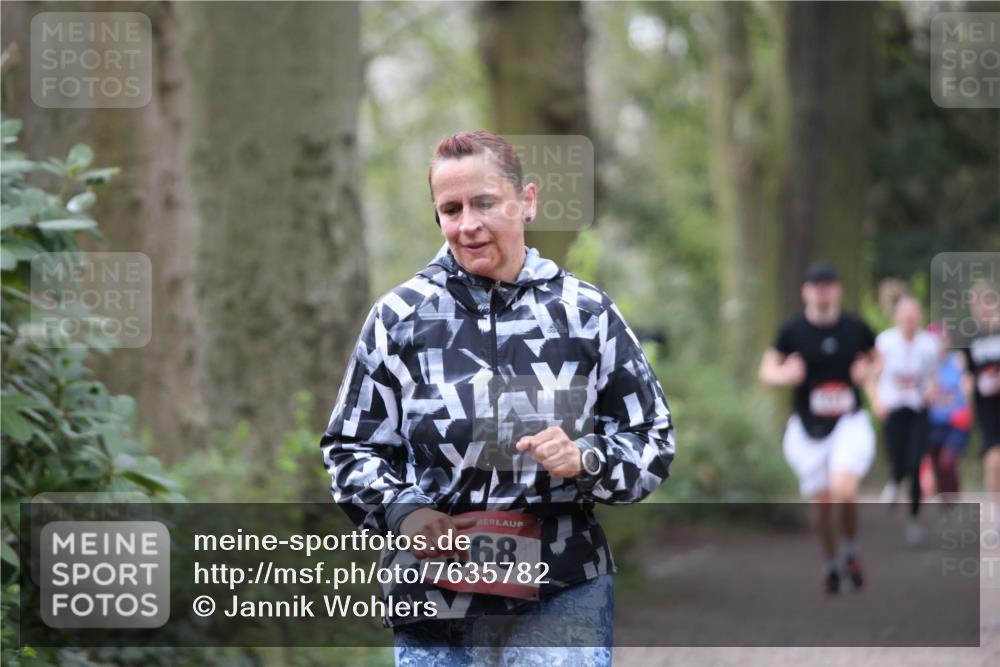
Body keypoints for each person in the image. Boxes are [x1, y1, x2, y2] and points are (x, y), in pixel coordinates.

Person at [319, 131, 675, 666]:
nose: (468, 224)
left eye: (484, 203)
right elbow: (349, 448)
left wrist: (587, 459)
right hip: (433, 596)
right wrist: (405, 511)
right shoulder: (399, 318)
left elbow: (651, 440)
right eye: (451, 209)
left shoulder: (586, 314)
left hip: (562, 584)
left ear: (526, 201)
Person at [759, 262, 877, 595]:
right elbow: (767, 370)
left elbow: (877, 358)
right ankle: (831, 564)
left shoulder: (855, 327)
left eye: (828, 284)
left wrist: (866, 368)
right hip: (807, 429)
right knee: (823, 503)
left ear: (838, 290)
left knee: (845, 489)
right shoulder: (792, 330)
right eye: (816, 285)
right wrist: (786, 375)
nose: (823, 291)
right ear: (806, 291)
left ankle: (851, 550)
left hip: (848, 422)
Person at [868, 296, 939, 544]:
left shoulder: (929, 344)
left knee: (915, 462)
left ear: (919, 317)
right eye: (905, 314)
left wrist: (931, 388)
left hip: (918, 409)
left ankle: (913, 519)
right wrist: (876, 400)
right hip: (893, 408)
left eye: (913, 314)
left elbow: (933, 375)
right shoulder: (885, 342)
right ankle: (893, 480)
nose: (909, 319)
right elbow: (870, 375)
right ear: (897, 316)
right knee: (898, 457)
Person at [925, 321, 972, 499]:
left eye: (942, 339)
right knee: (939, 468)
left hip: (956, 422)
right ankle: (948, 508)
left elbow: (968, 390)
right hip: (934, 424)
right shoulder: (926, 364)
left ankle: (954, 501)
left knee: (948, 462)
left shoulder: (959, 360)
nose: (939, 343)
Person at [964, 279, 1000, 494]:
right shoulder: (971, 339)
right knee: (992, 460)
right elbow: (968, 373)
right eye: (977, 306)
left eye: (986, 303)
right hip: (987, 409)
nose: (983, 310)